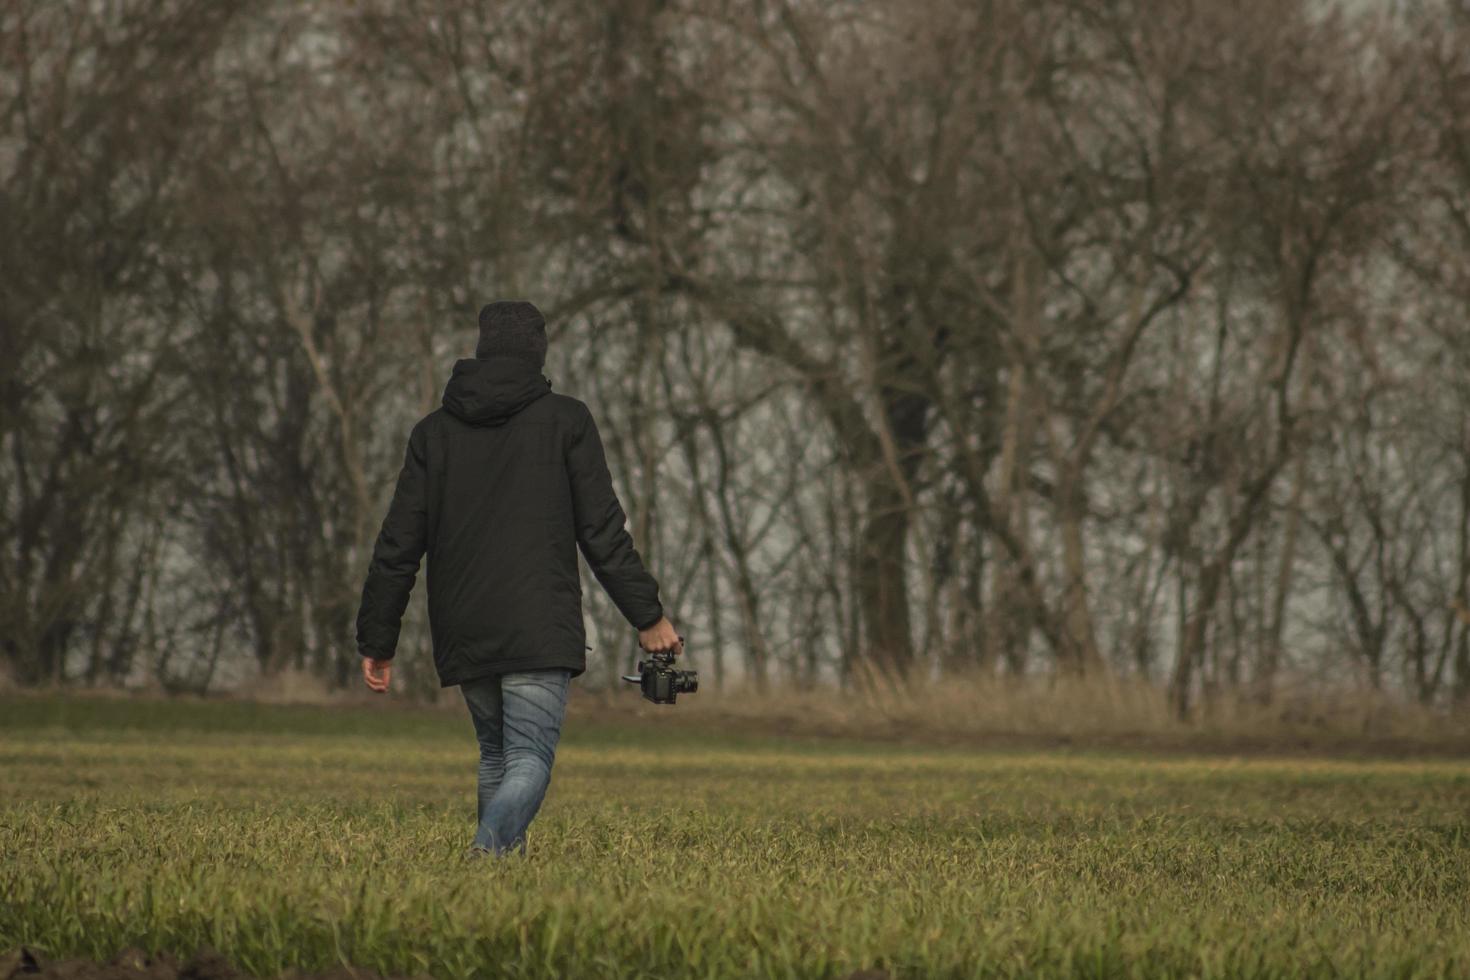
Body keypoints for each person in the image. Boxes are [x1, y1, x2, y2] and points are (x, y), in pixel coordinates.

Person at [353, 300, 683, 859]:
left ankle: (496, 881)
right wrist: (648, 616)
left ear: (482, 350)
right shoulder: (566, 420)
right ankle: (487, 851)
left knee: (496, 756)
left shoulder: (432, 434)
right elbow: (602, 531)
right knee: (529, 757)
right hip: (537, 621)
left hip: (464, 623)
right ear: (538, 351)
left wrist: (377, 640)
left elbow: (397, 546)